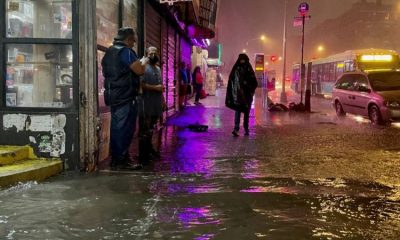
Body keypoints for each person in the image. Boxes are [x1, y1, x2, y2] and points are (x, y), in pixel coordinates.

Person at [101, 27, 149, 170]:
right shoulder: (125, 51)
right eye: (133, 41)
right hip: (125, 96)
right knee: (125, 129)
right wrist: (145, 60)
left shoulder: (110, 51)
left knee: (117, 127)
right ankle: (120, 161)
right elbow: (139, 70)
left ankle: (119, 158)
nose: (133, 43)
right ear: (127, 39)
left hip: (115, 95)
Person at [138, 46, 165, 166]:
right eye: (150, 53)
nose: (153, 55)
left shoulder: (158, 68)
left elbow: (161, 87)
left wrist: (163, 101)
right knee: (144, 130)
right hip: (146, 104)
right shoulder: (143, 67)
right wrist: (155, 88)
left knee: (151, 129)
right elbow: (141, 85)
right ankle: (143, 155)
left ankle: (149, 150)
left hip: (156, 104)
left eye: (155, 52)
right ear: (146, 54)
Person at [225, 53, 258, 137]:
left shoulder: (248, 68)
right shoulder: (236, 68)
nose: (242, 61)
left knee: (246, 113)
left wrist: (247, 85)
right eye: (241, 59)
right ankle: (236, 129)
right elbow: (232, 81)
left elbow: (253, 81)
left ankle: (246, 129)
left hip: (247, 95)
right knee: (238, 111)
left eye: (243, 59)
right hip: (238, 96)